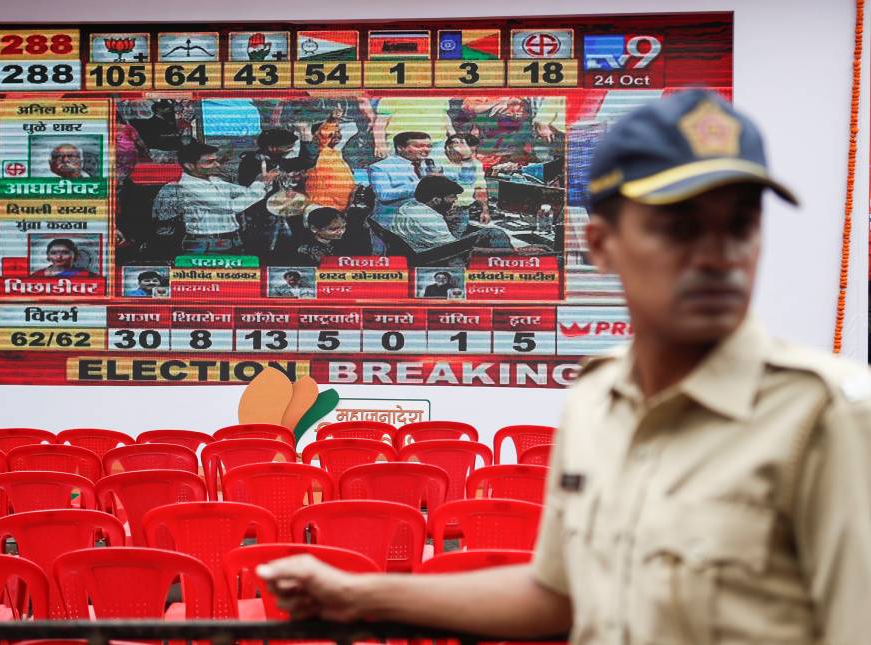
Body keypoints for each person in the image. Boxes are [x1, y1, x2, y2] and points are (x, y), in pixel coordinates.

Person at [256, 90, 871, 644]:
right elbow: (557, 597)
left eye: (741, 227)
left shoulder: (827, 419)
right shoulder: (598, 401)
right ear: (601, 245)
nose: (719, 257)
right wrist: (359, 593)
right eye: (678, 228)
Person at [152, 142, 277, 255]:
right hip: (206, 244)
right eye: (209, 162)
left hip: (231, 241)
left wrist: (264, 182)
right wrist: (260, 184)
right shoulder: (188, 186)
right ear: (190, 166)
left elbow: (246, 193)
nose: (217, 165)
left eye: (216, 160)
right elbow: (231, 207)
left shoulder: (215, 180)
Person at [392, 176, 521, 257]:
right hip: (434, 258)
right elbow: (454, 251)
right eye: (452, 197)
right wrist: (513, 252)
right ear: (436, 199)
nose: (455, 200)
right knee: (495, 233)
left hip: (419, 250)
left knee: (483, 232)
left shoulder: (409, 206)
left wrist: (446, 218)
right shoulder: (429, 219)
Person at [368, 131, 442, 233]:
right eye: (419, 146)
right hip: (391, 226)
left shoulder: (429, 165)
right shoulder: (380, 167)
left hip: (423, 225)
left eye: (429, 146)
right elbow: (384, 195)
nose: (426, 150)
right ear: (400, 148)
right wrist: (423, 184)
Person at [440, 133, 490, 231]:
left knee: (456, 242)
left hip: (461, 211)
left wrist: (485, 210)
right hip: (440, 210)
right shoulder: (439, 162)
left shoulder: (476, 164)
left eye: (473, 151)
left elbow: (480, 189)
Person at [237, 127, 318, 187]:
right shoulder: (249, 161)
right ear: (272, 148)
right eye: (288, 148)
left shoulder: (278, 157)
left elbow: (308, 162)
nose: (291, 149)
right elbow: (243, 182)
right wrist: (259, 178)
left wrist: (307, 142)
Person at [305, 119, 356, 212]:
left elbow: (353, 126)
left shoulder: (335, 152)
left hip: (341, 209)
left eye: (338, 132)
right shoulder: (317, 152)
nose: (337, 135)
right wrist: (331, 119)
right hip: (324, 209)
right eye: (331, 133)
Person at [29, 238, 99, 278]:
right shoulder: (37, 275)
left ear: (75, 255)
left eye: (65, 252)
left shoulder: (85, 275)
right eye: (53, 253)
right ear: (48, 256)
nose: (59, 257)